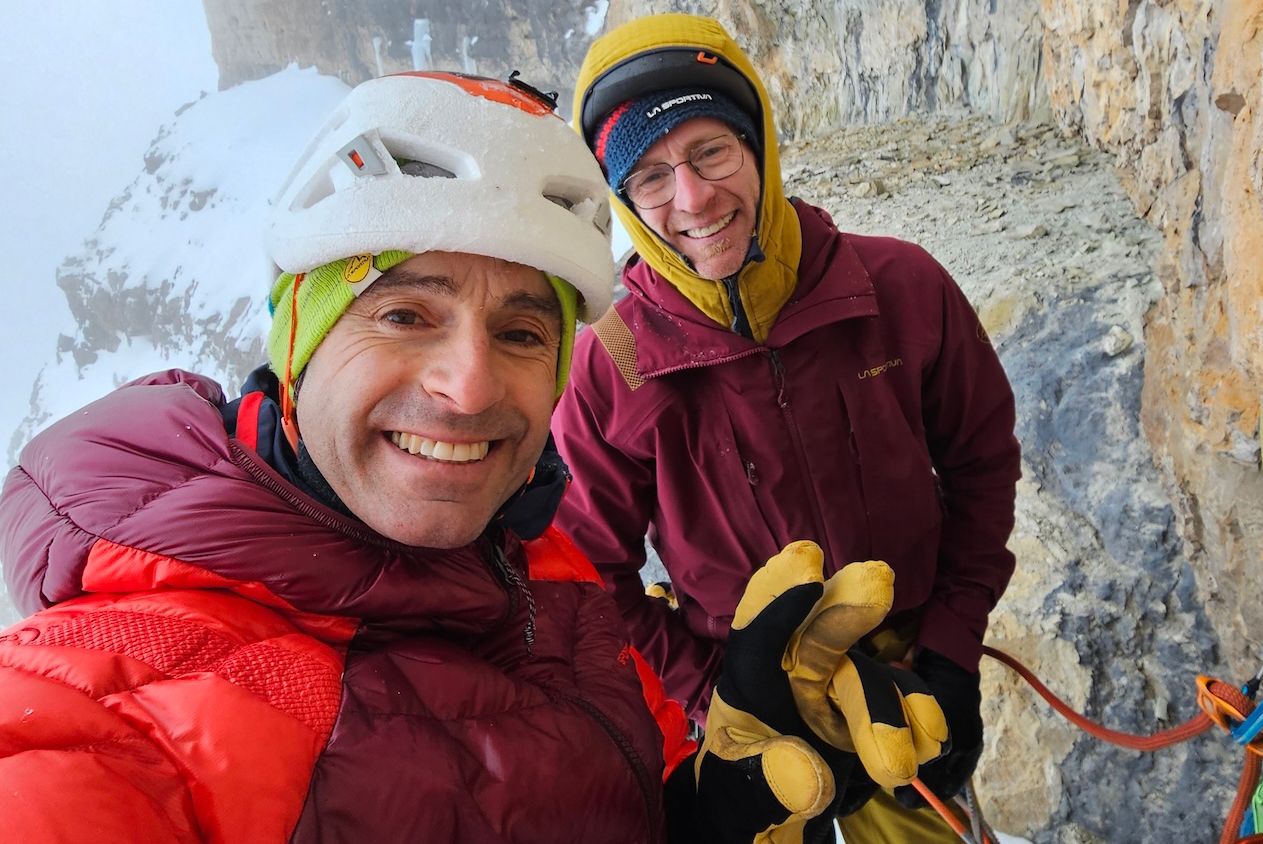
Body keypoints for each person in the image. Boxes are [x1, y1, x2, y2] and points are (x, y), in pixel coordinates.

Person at [0, 71, 946, 843]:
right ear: (298, 340)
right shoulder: (109, 704)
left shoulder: (540, 569)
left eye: (524, 332)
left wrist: (696, 807)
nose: (469, 386)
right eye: (405, 314)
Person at [555, 13, 1023, 841]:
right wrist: (713, 696)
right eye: (652, 177)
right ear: (623, 200)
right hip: (744, 695)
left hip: (903, 667)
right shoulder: (611, 365)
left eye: (711, 153)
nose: (693, 199)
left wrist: (950, 652)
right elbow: (591, 577)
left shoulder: (900, 287)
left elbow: (981, 465)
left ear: (759, 147)